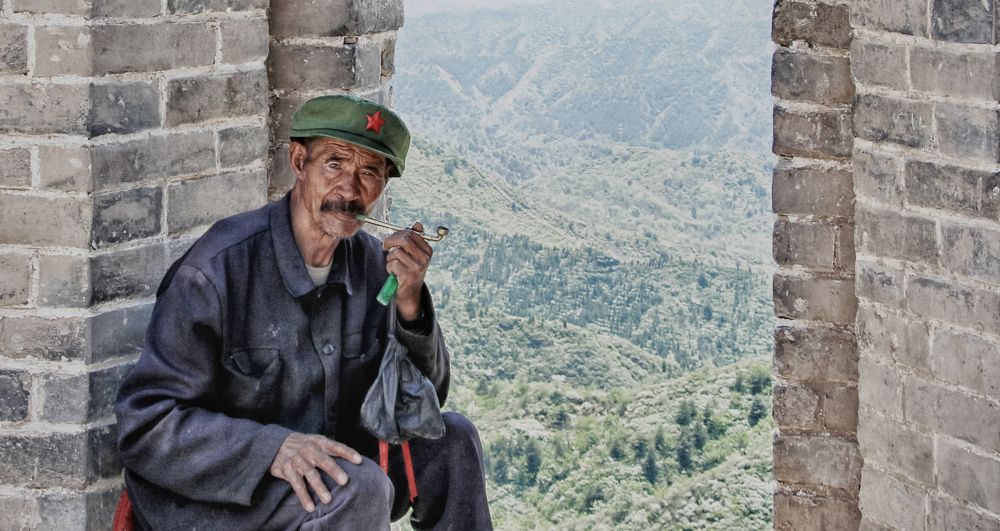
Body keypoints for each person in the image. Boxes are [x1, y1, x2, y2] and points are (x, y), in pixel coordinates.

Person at [114, 95, 493, 530]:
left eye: (369, 172)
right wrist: (272, 449)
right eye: (334, 163)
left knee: (454, 441)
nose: (350, 190)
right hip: (220, 497)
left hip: (330, 477)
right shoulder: (218, 270)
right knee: (357, 486)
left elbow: (424, 403)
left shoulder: (375, 268)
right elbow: (145, 425)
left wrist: (410, 304)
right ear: (299, 161)